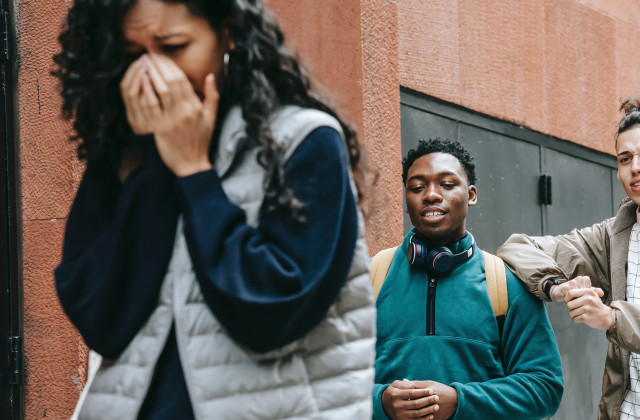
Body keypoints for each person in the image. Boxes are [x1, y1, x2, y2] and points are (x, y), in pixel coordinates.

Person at [52, 0, 375, 418]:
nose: (154, 74)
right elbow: (100, 319)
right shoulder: (124, 151)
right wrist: (152, 168)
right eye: (133, 56)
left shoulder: (302, 141)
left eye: (172, 47)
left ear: (228, 35)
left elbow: (274, 314)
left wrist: (193, 174)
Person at [372, 138, 563, 420]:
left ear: (471, 195)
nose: (431, 195)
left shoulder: (506, 283)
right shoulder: (370, 278)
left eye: (447, 184)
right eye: (417, 187)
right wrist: (380, 402)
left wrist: (460, 401)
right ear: (407, 200)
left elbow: (544, 388)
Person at [496, 98, 640, 420]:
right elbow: (517, 247)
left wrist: (610, 317)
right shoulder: (614, 237)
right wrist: (556, 286)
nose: (635, 167)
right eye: (625, 158)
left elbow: (613, 318)